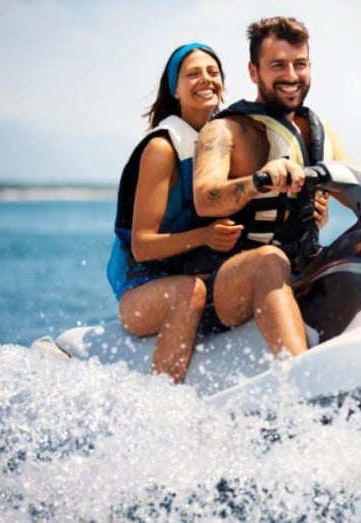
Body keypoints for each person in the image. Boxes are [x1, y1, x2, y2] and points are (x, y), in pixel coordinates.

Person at [193, 16, 346, 358]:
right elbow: (206, 198)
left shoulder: (318, 130)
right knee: (268, 261)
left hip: (301, 272)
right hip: (227, 284)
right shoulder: (225, 131)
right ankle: (303, 382)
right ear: (253, 71)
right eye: (278, 65)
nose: (291, 76)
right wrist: (259, 180)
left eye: (300, 64)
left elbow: (357, 188)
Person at [106, 43, 244, 383]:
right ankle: (163, 404)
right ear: (175, 89)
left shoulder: (223, 144)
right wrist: (205, 237)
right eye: (193, 73)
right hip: (142, 288)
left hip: (199, 274)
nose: (206, 79)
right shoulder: (162, 148)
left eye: (213, 72)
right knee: (190, 291)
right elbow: (142, 245)